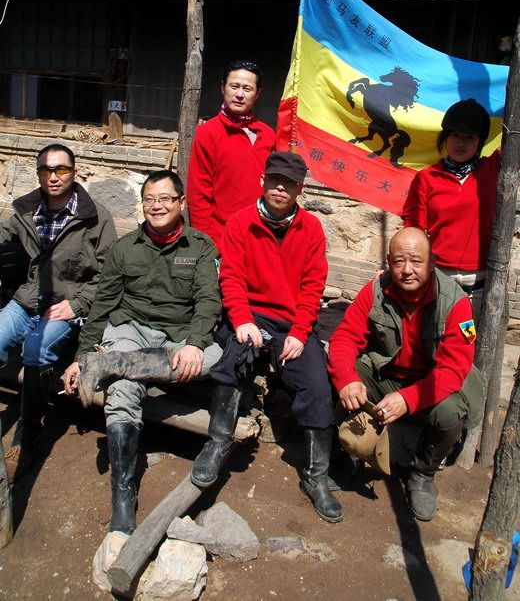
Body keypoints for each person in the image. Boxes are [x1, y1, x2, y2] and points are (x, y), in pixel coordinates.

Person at [63, 170, 221, 535]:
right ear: (143, 205)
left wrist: (196, 343)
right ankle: (122, 493)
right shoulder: (125, 248)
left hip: (177, 337)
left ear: (181, 203)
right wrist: (83, 356)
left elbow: (208, 303)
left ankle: (117, 365)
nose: (157, 205)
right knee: (121, 393)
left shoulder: (200, 246)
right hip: (130, 330)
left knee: (216, 357)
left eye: (166, 198)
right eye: (150, 199)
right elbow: (102, 305)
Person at [189, 151, 344, 524]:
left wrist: (300, 332)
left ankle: (315, 474)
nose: (280, 187)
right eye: (274, 179)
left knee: (316, 385)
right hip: (250, 316)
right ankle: (217, 442)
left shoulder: (310, 229)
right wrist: (241, 320)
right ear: (263, 180)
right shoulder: (241, 222)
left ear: (299, 189)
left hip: (291, 322)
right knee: (233, 363)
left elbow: (312, 288)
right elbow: (231, 278)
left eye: (288, 183)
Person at [328, 227, 483, 521]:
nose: (407, 270)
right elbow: (345, 337)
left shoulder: (456, 302)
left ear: (431, 262)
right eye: (399, 261)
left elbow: (453, 368)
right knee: (347, 376)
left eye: (416, 261)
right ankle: (350, 456)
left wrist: (408, 399)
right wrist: (346, 379)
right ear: (389, 262)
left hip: (435, 382)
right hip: (389, 373)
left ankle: (423, 473)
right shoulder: (375, 291)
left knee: (449, 412)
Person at [0, 143, 116, 482]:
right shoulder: (27, 210)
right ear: (39, 174)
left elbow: (108, 275)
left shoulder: (95, 216)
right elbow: (5, 234)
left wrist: (78, 304)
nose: (54, 176)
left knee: (36, 350)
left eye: (61, 169)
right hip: (27, 301)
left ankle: (28, 435)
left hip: (66, 307)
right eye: (46, 170)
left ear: (74, 172)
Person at [402, 98, 500, 322]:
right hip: (438, 282)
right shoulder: (426, 178)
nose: (461, 143)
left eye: (469, 138)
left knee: (469, 348)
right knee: (435, 348)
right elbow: (412, 229)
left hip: (482, 287)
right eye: (455, 135)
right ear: (445, 137)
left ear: (481, 142)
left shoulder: (493, 169)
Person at [187, 59, 275, 253]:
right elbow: (199, 193)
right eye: (234, 86)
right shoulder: (208, 133)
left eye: (247, 88)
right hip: (221, 239)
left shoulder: (268, 135)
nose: (240, 95)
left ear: (257, 93)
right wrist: (207, 243)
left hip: (261, 235)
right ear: (222, 87)